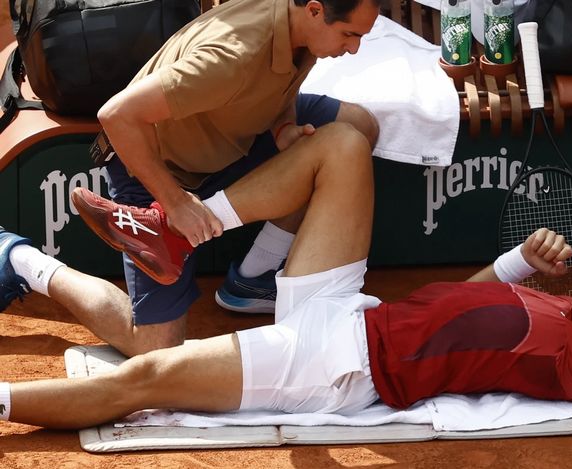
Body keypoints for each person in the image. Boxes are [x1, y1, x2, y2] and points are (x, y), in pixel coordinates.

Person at [0, 131, 572, 426]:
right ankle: (173, 229)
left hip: (338, 364)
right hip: (350, 310)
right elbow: (456, 310)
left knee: (146, 375)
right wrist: (519, 265)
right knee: (341, 146)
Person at [67, 0, 385, 354]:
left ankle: (253, 277)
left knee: (357, 128)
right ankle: (25, 264)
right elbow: (116, 115)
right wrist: (174, 203)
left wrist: (284, 128)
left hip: (236, 135)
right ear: (313, 10)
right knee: (155, 350)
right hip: (154, 167)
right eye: (350, 34)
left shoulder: (303, 32)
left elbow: (280, 86)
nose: (354, 48)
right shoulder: (233, 55)